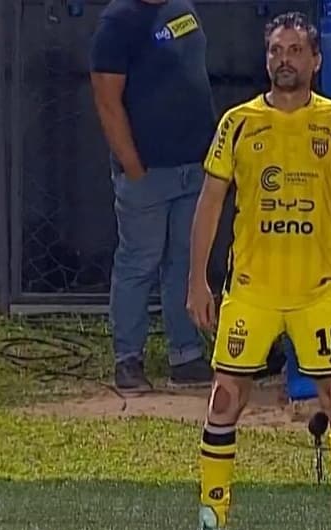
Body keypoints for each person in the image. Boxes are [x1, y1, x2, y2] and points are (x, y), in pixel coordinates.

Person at [179, 11, 331, 530]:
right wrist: (198, 279)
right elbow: (210, 202)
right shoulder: (238, 122)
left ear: (316, 60)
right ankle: (211, 522)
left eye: (296, 50)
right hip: (251, 290)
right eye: (276, 50)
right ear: (266, 58)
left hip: (319, 290)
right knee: (225, 397)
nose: (284, 59)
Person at [89, 0, 216, 392]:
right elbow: (107, 101)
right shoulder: (117, 22)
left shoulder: (183, 8)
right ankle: (128, 358)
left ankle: (186, 354)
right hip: (148, 170)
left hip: (195, 166)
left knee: (185, 261)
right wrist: (133, 167)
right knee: (138, 263)